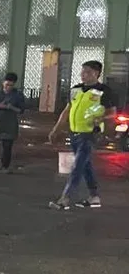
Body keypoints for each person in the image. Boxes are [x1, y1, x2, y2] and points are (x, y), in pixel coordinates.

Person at [49, 59, 116, 210]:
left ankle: (65, 199)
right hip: (74, 133)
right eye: (82, 71)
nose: (83, 75)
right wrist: (56, 129)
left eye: (88, 72)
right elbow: (67, 111)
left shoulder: (104, 91)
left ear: (97, 74)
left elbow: (112, 114)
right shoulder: (75, 90)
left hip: (90, 135)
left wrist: (102, 118)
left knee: (77, 167)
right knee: (86, 166)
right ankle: (94, 197)